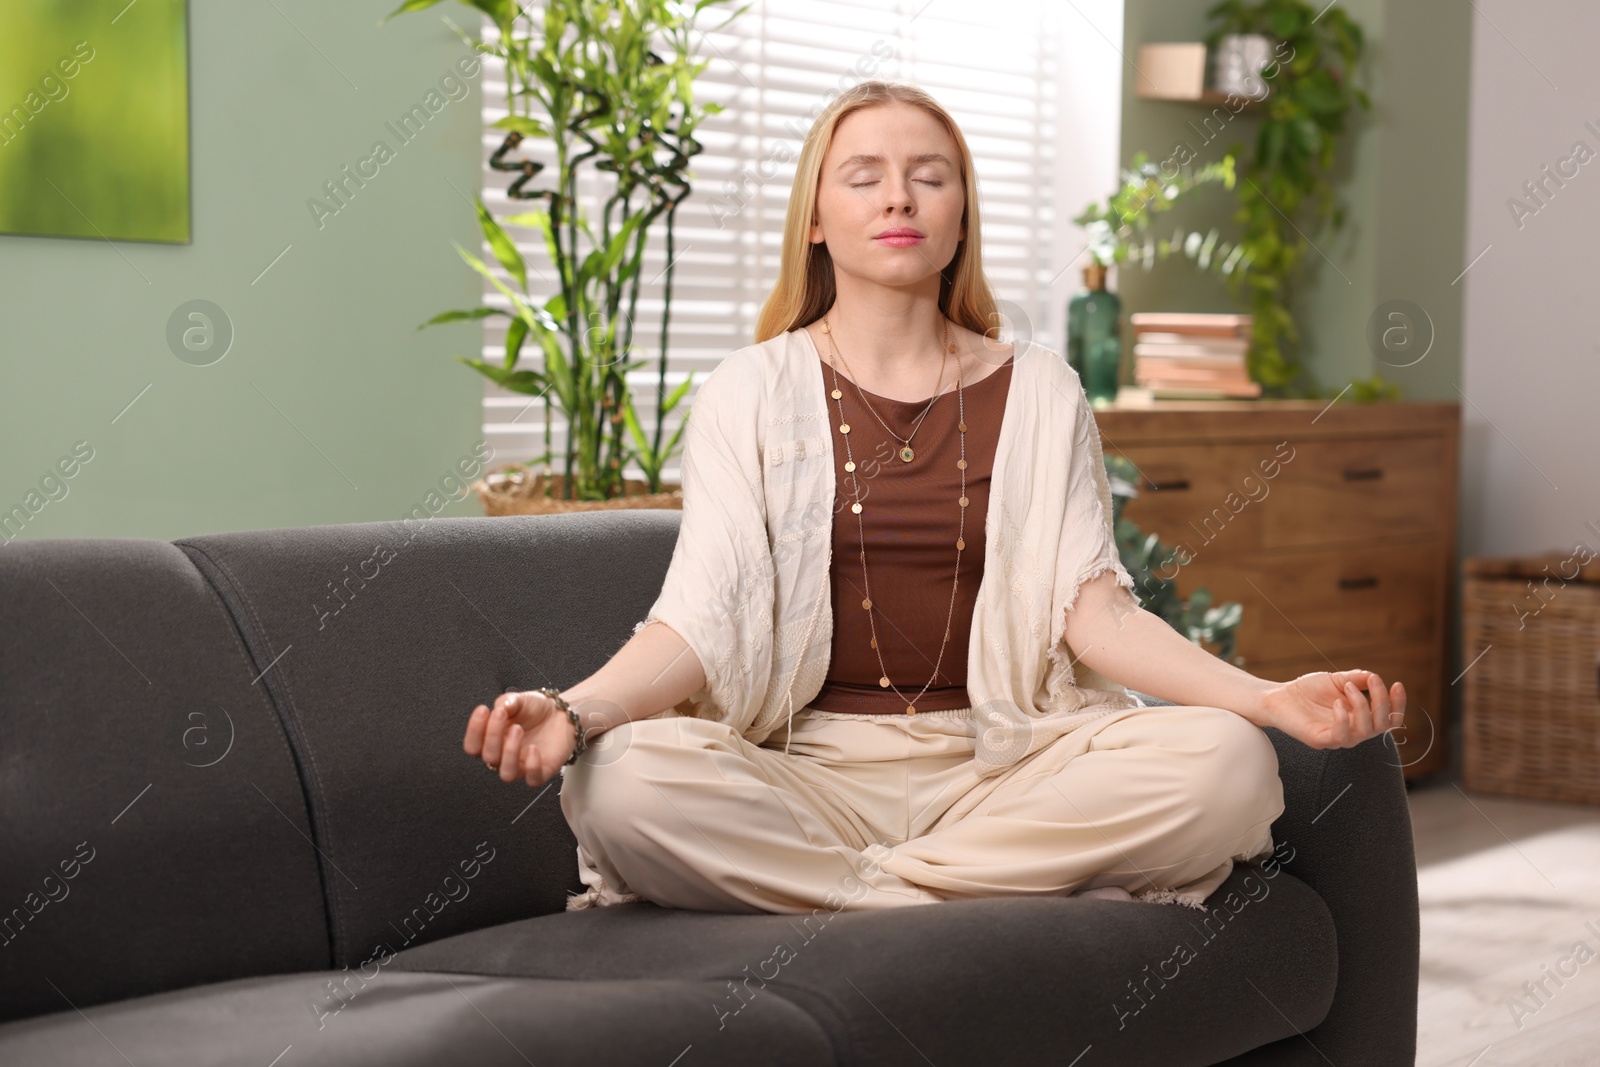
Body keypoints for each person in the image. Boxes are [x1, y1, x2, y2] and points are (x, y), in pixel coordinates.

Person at [461, 80, 1406, 916]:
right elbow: (699, 619)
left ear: (961, 218)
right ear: (818, 218)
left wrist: (1268, 698)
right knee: (620, 779)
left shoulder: (1041, 389)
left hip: (1005, 763)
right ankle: (955, 897)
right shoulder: (748, 390)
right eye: (864, 174)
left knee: (1228, 764)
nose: (900, 196)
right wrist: (574, 711)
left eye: (931, 175)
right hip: (806, 767)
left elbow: (1100, 615)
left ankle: (859, 898)